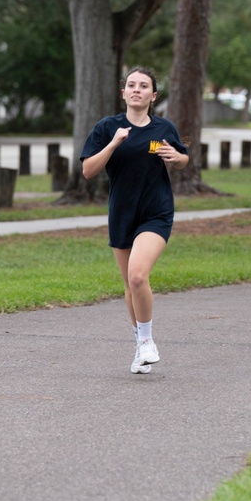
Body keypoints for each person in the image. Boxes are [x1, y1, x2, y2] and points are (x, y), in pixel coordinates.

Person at [80, 67, 189, 373]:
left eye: (144, 86)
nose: (137, 89)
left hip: (156, 212)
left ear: (153, 96)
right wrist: (114, 143)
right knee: (129, 283)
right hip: (122, 213)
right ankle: (140, 346)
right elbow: (88, 171)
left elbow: (182, 160)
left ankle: (147, 342)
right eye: (132, 85)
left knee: (138, 275)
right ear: (124, 93)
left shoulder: (163, 128)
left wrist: (175, 157)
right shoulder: (107, 127)